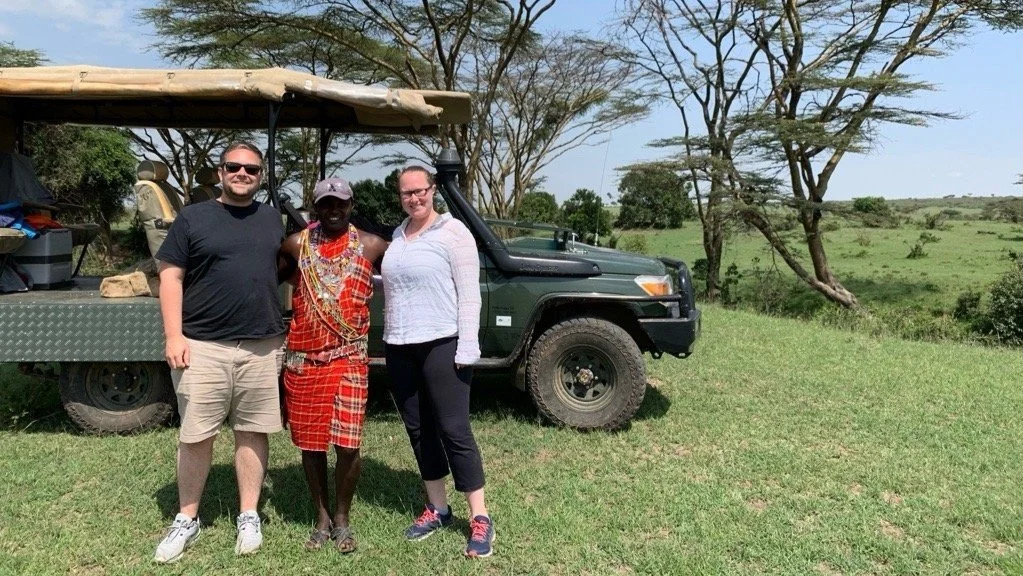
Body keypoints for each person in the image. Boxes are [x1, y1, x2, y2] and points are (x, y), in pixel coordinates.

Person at [153, 141, 286, 563]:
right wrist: (174, 336)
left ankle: (249, 513)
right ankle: (186, 518)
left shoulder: (273, 220)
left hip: (261, 347)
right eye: (234, 166)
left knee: (253, 431)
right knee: (196, 435)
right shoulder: (194, 218)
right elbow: (170, 277)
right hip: (203, 346)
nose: (242, 173)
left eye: (251, 168)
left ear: (261, 175)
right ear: (221, 171)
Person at [381, 165, 494, 558]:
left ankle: (479, 517)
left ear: (433, 190)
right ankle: (438, 508)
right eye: (406, 193)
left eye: (420, 191)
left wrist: (467, 347)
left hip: (442, 344)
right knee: (419, 430)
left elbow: (469, 294)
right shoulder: (398, 235)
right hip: (399, 346)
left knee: (454, 430)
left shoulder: (453, 232)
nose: (414, 198)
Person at [278, 178, 387, 553]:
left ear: (351, 204)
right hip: (305, 360)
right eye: (326, 204)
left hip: (349, 359)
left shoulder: (373, 246)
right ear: (315, 207)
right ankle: (321, 517)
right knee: (311, 444)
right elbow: (268, 279)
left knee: (348, 444)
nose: (334, 210)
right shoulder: (296, 245)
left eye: (340, 203)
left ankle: (342, 517)